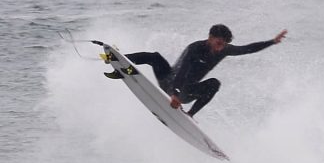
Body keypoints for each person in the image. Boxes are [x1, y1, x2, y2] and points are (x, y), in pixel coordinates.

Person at [106, 24, 287, 117]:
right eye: (218, 43)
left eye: (223, 44)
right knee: (154, 57)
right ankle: (118, 60)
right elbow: (183, 70)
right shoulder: (195, 48)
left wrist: (272, 41)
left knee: (215, 84)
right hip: (170, 82)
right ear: (210, 38)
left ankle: (190, 114)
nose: (220, 48)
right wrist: (175, 93)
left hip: (187, 92)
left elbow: (247, 49)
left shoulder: (224, 49)